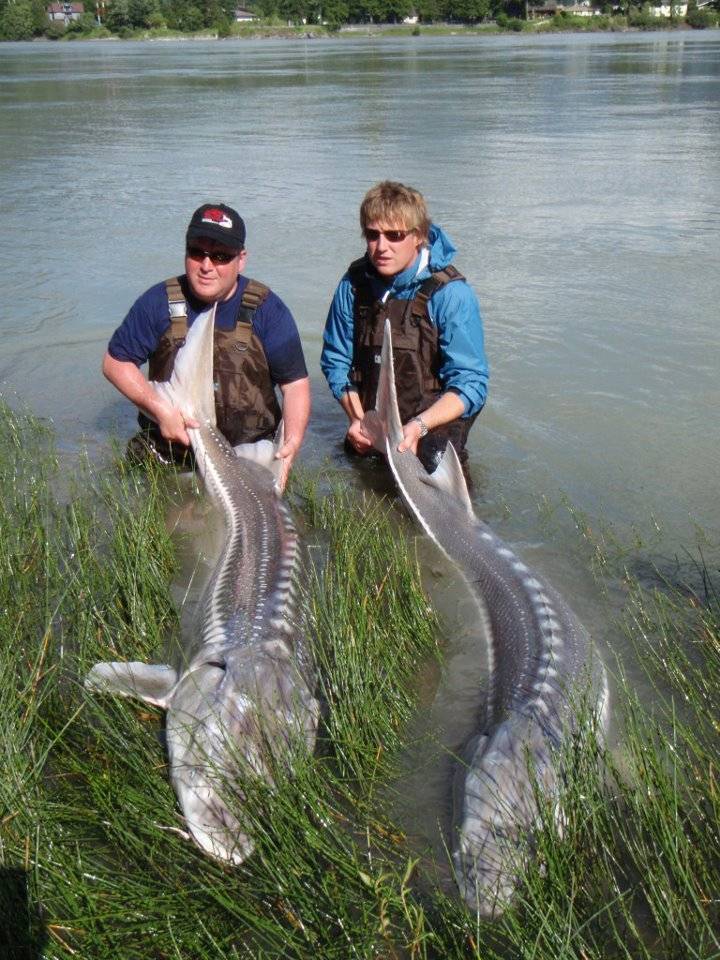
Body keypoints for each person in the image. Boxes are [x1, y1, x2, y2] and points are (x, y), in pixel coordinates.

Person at [103, 202, 310, 490]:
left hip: (247, 457)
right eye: (197, 252)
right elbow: (115, 363)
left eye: (221, 256)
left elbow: (295, 386)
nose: (206, 265)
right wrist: (161, 410)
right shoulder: (158, 302)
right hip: (170, 451)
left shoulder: (268, 311)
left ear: (241, 259)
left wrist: (291, 445)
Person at [321, 181, 488, 481]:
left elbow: (471, 383)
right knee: (353, 464)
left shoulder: (452, 294)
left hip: (431, 419)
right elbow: (335, 360)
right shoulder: (352, 285)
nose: (381, 247)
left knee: (434, 461)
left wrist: (418, 427)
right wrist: (358, 421)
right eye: (373, 235)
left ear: (419, 236)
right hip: (376, 416)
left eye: (394, 235)